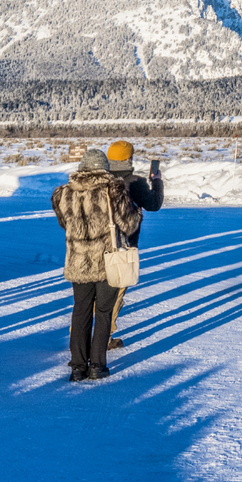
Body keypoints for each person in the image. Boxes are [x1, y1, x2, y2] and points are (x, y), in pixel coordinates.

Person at [51, 148, 142, 381]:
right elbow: (129, 224)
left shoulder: (64, 193)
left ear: (82, 167)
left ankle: (77, 366)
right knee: (103, 312)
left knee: (80, 311)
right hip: (106, 261)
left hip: (78, 261)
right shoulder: (113, 189)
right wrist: (137, 211)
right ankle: (97, 366)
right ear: (105, 168)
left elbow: (65, 224)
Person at [104, 140, 161, 349]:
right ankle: (105, 336)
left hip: (99, 243)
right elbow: (154, 204)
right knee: (117, 291)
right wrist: (156, 181)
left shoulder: (101, 179)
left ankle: (80, 335)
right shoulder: (134, 182)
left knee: (95, 292)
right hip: (124, 245)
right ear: (129, 158)